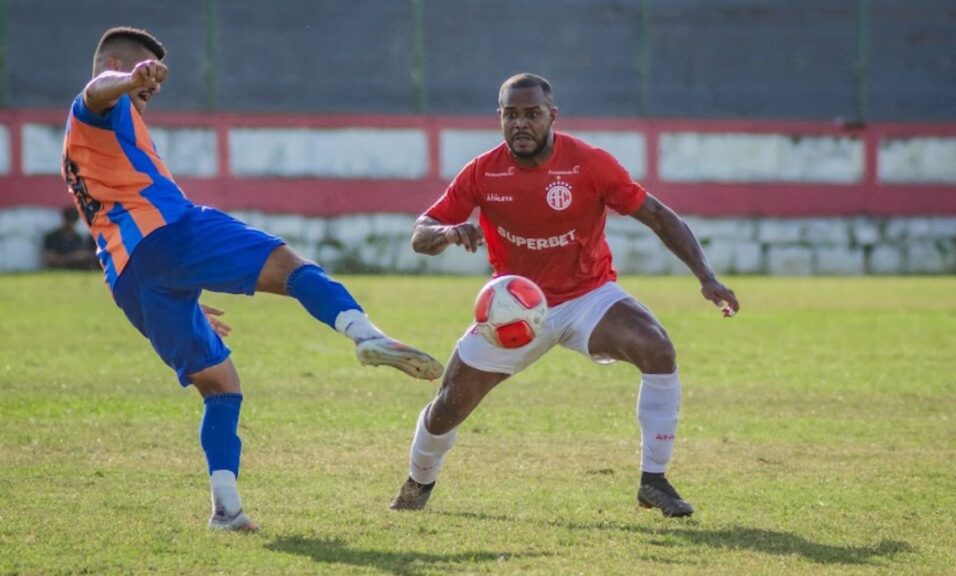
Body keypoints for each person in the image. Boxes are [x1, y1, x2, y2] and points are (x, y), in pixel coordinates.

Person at [61, 27, 444, 532]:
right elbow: (98, 90)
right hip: (171, 233)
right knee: (291, 267)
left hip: (130, 280)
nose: (148, 92)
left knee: (220, 384)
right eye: (144, 82)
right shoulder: (97, 107)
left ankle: (226, 507)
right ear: (115, 62)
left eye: (151, 87)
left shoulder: (81, 148)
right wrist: (126, 78)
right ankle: (365, 334)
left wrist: (178, 293)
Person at [389, 73, 740, 518]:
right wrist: (445, 232)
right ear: (499, 118)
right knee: (447, 408)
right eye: (511, 114)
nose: (521, 124)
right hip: (513, 309)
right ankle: (417, 484)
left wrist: (706, 277)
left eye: (532, 114)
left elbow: (658, 216)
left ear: (551, 116)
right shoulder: (482, 171)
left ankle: (654, 480)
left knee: (658, 348)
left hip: (588, 297)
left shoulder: (589, 164)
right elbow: (421, 233)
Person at [43, 206, 97, 270]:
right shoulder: (52, 237)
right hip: (59, 269)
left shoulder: (78, 238)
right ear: (64, 219)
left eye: (74, 220)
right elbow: (50, 260)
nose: (71, 224)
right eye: (70, 219)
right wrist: (73, 257)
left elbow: (82, 255)